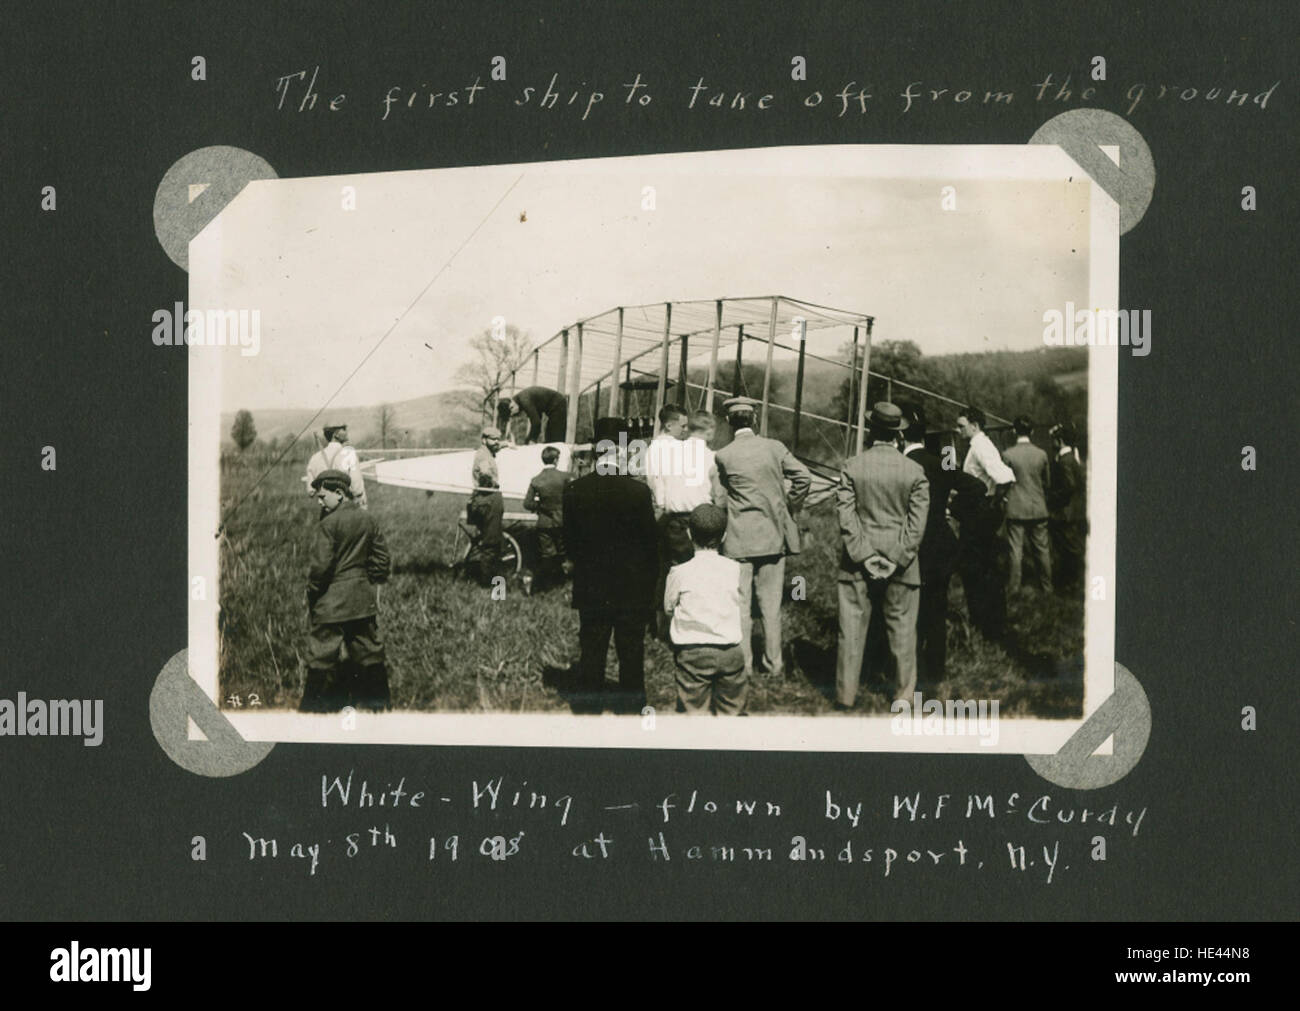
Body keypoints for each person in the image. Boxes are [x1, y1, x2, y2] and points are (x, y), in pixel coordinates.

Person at [835, 403, 929, 708]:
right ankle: (903, 698)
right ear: (898, 435)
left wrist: (864, 556)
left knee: (850, 633)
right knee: (903, 634)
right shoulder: (915, 472)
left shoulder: (851, 466)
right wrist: (894, 558)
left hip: (855, 563)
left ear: (872, 431)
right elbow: (916, 527)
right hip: (901, 566)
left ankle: (844, 698)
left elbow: (846, 518)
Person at [563, 417, 658, 712]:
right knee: (631, 651)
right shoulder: (638, 492)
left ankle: (588, 708)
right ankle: (630, 708)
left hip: (592, 586)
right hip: (632, 589)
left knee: (592, 649)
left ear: (595, 450)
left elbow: (570, 544)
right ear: (621, 450)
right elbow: (651, 547)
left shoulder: (575, 490)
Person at [713, 396, 812, 679]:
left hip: (738, 541)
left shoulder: (723, 455)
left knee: (741, 607)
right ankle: (774, 665)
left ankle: (743, 666)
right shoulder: (774, 448)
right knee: (771, 606)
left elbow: (719, 499)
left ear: (730, 422)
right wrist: (789, 503)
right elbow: (803, 477)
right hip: (772, 538)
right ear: (754, 420)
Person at [900, 404, 986, 686]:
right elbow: (977, 487)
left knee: (903, 609)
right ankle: (935, 674)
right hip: (939, 545)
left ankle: (903, 670)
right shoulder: (941, 462)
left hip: (907, 547)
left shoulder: (899, 464)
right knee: (936, 611)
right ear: (923, 435)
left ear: (901, 436)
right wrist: (952, 509)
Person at [300, 469, 391, 713]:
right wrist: (367, 581)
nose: (319, 501)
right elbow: (382, 560)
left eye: (323, 496)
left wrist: (313, 591)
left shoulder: (328, 524)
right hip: (362, 602)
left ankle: (309, 713)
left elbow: (320, 567)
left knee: (320, 655)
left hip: (331, 605)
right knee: (370, 653)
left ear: (339, 494)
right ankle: (381, 708)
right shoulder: (368, 519)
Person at [663, 504, 747, 715]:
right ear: (725, 536)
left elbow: (668, 608)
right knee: (732, 714)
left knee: (694, 714)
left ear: (689, 534)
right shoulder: (735, 569)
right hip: (731, 651)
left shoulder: (678, 572)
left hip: (692, 653)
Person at [955, 407, 1015, 640]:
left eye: (961, 425)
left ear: (975, 426)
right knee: (979, 569)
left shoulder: (981, 446)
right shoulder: (977, 446)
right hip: (978, 512)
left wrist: (991, 505)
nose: (958, 429)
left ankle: (988, 623)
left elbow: (1005, 477)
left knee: (978, 569)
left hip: (978, 515)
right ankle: (986, 621)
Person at [1002, 415, 1053, 594]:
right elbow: (1047, 483)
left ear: (1014, 431)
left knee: (1015, 550)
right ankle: (1047, 588)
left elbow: (1004, 482)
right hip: (1038, 507)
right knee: (1042, 549)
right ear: (1031, 431)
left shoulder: (1008, 454)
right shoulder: (1042, 454)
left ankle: (1014, 588)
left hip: (1016, 508)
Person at [523, 445, 571, 590]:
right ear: (556, 460)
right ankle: (560, 582)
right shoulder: (565, 477)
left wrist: (540, 507)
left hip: (544, 523)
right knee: (562, 553)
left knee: (547, 554)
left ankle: (539, 585)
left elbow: (527, 503)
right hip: (562, 521)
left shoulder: (536, 480)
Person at [1047, 423, 1087, 593]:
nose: (1052, 443)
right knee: (1070, 547)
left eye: (1054, 440)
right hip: (1071, 510)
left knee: (1069, 548)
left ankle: (1071, 582)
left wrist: (1052, 498)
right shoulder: (1071, 458)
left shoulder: (1064, 461)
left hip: (1064, 511)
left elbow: (1069, 486)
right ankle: (1070, 581)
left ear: (1060, 440)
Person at [466, 426, 505, 585]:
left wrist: (506, 444)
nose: (497, 442)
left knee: (491, 538)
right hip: (488, 499)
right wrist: (493, 482)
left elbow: (496, 446)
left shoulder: (486, 451)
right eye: (493, 439)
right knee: (492, 542)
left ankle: (488, 576)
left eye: (498, 439)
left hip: (485, 499)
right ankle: (487, 582)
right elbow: (485, 472)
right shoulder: (483, 456)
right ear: (484, 440)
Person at [304, 423, 367, 509]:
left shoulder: (315, 458)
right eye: (344, 429)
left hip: (324, 510)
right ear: (336, 434)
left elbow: (311, 491)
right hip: (345, 508)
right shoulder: (349, 454)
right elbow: (358, 490)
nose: (346, 431)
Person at [497, 386, 568, 444]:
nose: (516, 414)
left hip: (558, 404)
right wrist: (530, 439)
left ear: (511, 407)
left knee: (556, 438)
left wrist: (532, 439)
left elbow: (536, 423)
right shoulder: (521, 399)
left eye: (512, 414)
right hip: (552, 407)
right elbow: (537, 418)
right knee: (549, 437)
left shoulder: (524, 400)